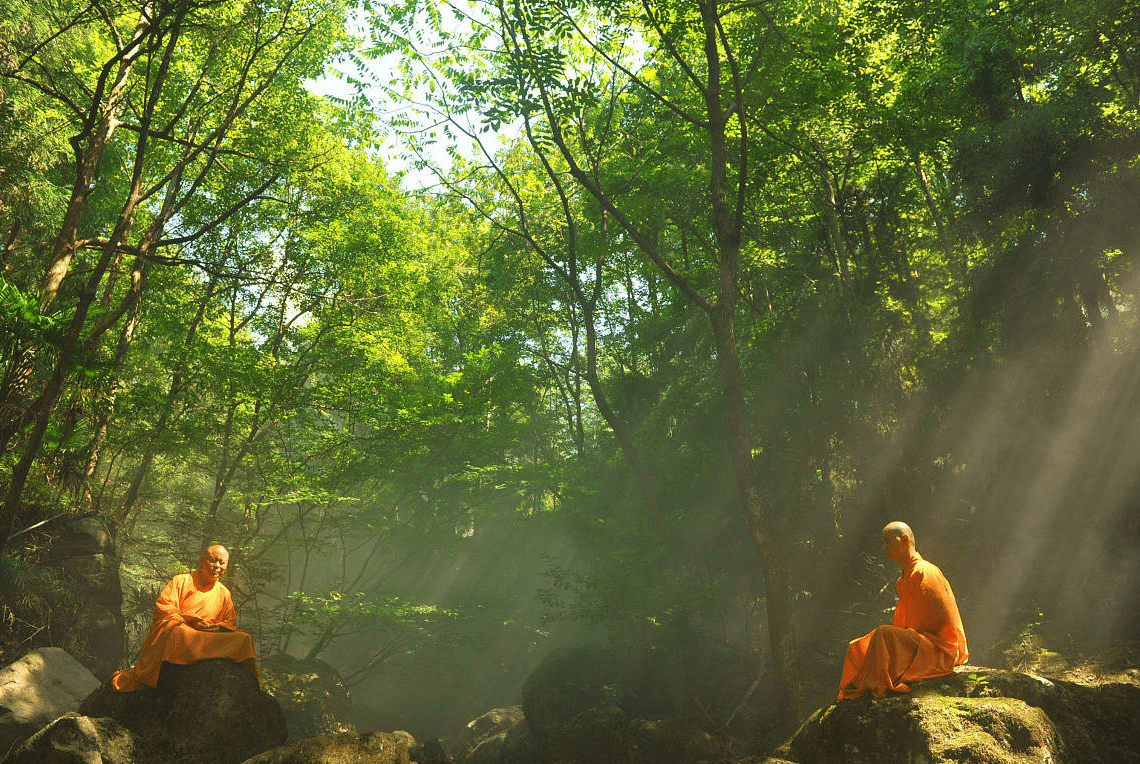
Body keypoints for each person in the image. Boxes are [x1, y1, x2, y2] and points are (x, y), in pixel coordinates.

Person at [837, 521, 968, 700]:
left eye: (888, 542)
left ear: (904, 539)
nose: (884, 548)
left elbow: (941, 622)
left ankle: (875, 685)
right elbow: (905, 623)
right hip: (919, 641)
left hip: (939, 649)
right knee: (858, 647)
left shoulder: (925, 571)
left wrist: (907, 635)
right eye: (882, 543)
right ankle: (863, 688)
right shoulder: (903, 579)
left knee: (884, 634)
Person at [112, 544, 259, 691]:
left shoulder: (224, 593)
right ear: (202, 561)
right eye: (213, 560)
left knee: (244, 639)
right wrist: (191, 619)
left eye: (222, 563)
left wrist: (216, 627)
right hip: (187, 633)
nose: (217, 566)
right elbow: (164, 608)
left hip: (210, 636)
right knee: (177, 633)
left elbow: (229, 621)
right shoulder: (181, 581)